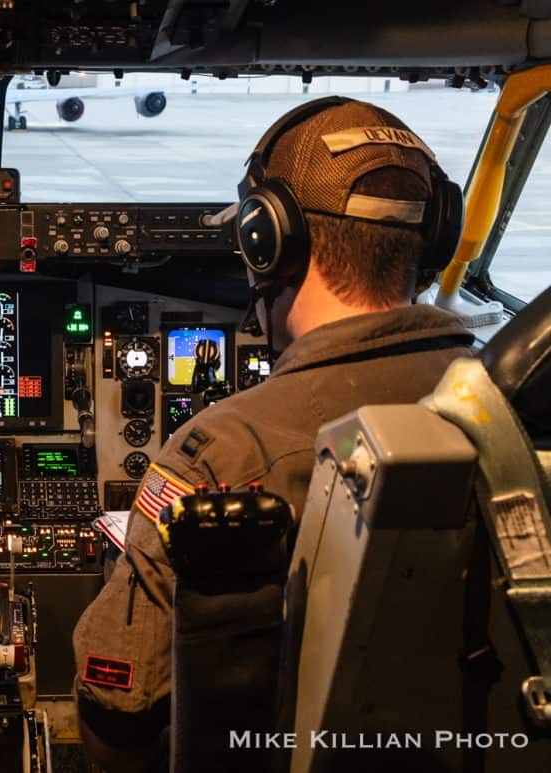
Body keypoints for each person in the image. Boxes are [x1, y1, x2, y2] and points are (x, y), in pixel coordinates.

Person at [72, 98, 476, 771]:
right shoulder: (516, 414)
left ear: (266, 239)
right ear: (436, 237)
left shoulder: (220, 453)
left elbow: (119, 707)